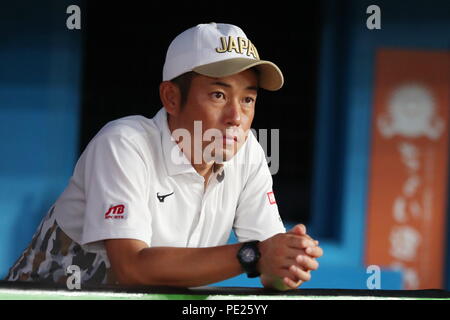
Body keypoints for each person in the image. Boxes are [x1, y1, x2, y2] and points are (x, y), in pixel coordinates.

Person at [5, 22, 323, 290]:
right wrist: (255, 255)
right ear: (171, 98)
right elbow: (132, 268)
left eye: (248, 100)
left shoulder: (248, 152)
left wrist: (290, 258)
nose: (235, 116)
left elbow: (270, 268)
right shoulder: (123, 143)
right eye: (218, 95)